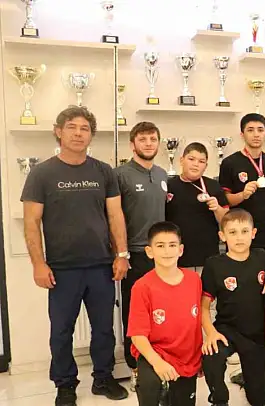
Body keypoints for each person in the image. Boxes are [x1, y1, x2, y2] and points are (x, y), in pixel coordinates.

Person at [21, 106, 129, 405]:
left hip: (101, 265)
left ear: (91, 135)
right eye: (72, 127)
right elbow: (31, 222)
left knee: (104, 329)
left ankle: (103, 378)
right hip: (61, 268)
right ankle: (65, 384)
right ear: (59, 131)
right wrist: (38, 264)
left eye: (84, 128)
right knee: (61, 331)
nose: (78, 133)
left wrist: (121, 254)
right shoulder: (42, 173)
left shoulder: (103, 171)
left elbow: (115, 215)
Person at [201, 210, 265, 406]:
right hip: (227, 330)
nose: (239, 237)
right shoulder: (214, 264)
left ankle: (246, 377)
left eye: (244, 231)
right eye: (233, 232)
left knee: (259, 400)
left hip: (257, 334)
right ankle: (219, 399)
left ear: (253, 233)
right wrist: (210, 333)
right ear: (222, 236)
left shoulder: (261, 256)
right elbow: (203, 307)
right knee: (212, 354)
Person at [115, 121, 167, 390]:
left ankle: (159, 362)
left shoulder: (161, 174)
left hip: (162, 256)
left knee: (161, 312)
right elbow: (113, 217)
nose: (148, 144)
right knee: (135, 314)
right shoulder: (120, 175)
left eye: (153, 139)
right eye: (143, 139)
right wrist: (121, 254)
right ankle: (135, 365)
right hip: (135, 255)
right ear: (132, 144)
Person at [127, 221, 202, 406]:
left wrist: (200, 357)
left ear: (181, 250)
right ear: (149, 251)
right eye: (160, 246)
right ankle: (153, 387)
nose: (167, 251)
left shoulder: (194, 280)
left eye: (172, 245)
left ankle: (170, 393)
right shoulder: (142, 287)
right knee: (150, 385)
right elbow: (137, 335)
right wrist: (157, 363)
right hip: (156, 352)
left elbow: (198, 320)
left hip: (187, 357)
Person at [220, 113, 265, 269]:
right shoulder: (229, 163)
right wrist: (243, 195)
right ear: (242, 134)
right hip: (239, 228)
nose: (256, 134)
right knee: (240, 272)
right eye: (250, 130)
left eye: (260, 130)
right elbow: (225, 200)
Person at [166, 143, 229, 270]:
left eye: (201, 161)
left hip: (207, 256)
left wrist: (217, 208)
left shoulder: (213, 186)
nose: (196, 164)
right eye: (191, 159)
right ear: (181, 160)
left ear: (205, 166)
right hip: (176, 257)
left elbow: (227, 221)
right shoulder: (169, 186)